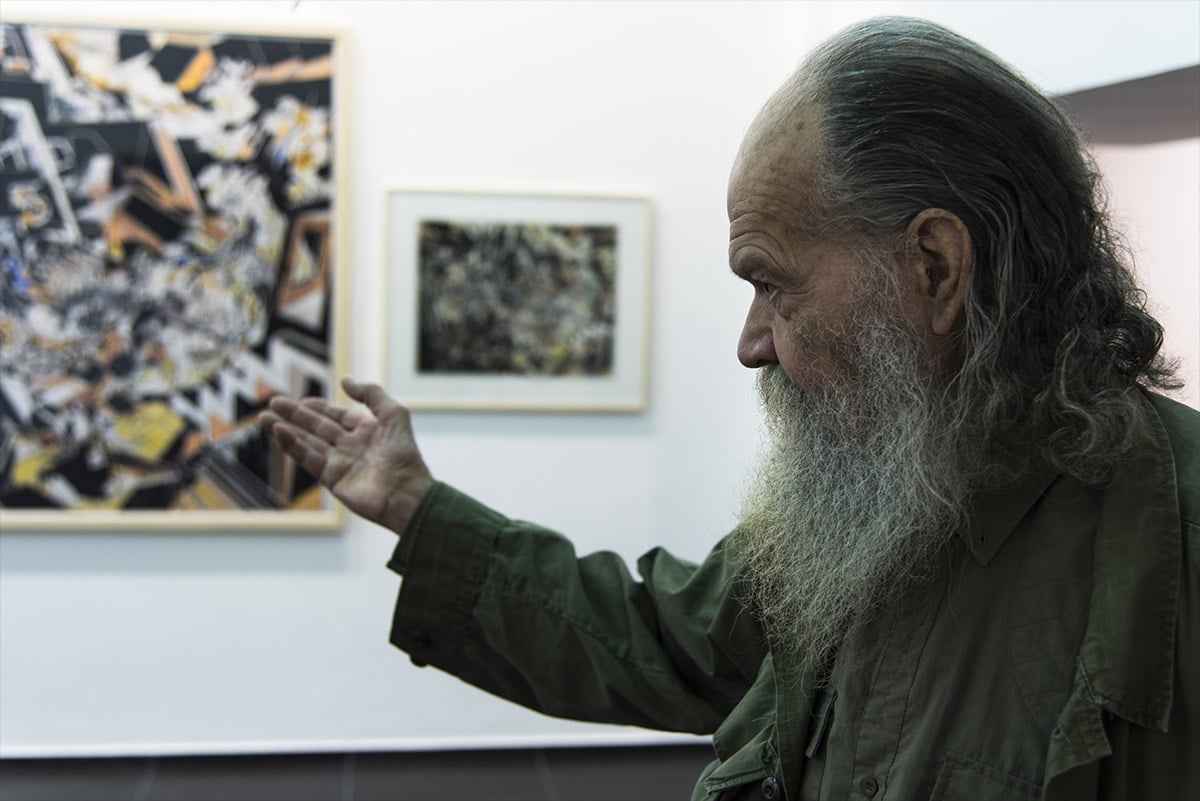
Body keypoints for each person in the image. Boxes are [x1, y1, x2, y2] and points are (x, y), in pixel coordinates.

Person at [259, 16, 1198, 801]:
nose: (752, 343)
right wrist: (418, 509)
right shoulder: (881, 504)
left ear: (935, 268)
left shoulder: (1173, 546)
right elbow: (656, 637)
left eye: (771, 283)